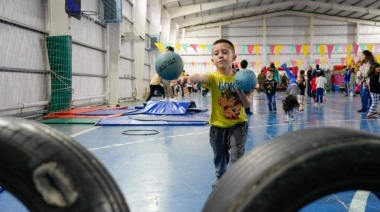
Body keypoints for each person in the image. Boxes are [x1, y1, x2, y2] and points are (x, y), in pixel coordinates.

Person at [177, 39, 252, 188]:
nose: (221, 56)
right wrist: (187, 78)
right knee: (219, 156)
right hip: (217, 126)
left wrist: (242, 95)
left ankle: (234, 181)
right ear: (212, 60)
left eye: (225, 52)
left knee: (237, 153)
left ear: (234, 57)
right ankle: (221, 177)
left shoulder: (242, 79)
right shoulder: (213, 78)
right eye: (216, 53)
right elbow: (200, 77)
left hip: (238, 124)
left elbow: (248, 104)